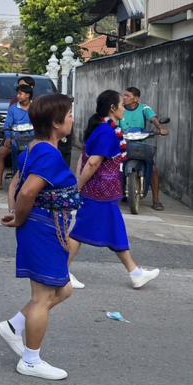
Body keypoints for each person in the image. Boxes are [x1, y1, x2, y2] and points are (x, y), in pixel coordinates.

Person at [0, 93, 79, 381]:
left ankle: (14, 325)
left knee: (64, 289)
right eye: (69, 115)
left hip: (45, 228)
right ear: (56, 123)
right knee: (43, 298)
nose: (72, 119)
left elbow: (17, 183)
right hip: (43, 228)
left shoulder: (36, 147)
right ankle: (30, 360)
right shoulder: (47, 153)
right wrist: (18, 216)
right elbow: (28, 190)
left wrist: (15, 212)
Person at [68, 90, 160, 290]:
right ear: (112, 108)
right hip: (98, 192)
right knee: (80, 232)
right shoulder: (107, 132)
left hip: (105, 192)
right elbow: (91, 163)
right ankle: (60, 271)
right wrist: (78, 187)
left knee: (116, 231)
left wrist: (79, 184)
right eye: (121, 104)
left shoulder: (103, 129)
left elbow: (84, 158)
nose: (123, 108)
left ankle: (135, 272)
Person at [121, 86, 168, 210]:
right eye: (124, 95)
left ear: (136, 99)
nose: (124, 98)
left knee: (153, 169)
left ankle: (156, 200)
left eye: (127, 96)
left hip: (140, 143)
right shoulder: (120, 108)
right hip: (122, 142)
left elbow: (153, 118)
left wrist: (159, 128)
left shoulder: (144, 108)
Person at [0, 82, 33, 191]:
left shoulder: (35, 107)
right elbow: (7, 125)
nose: (18, 96)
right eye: (18, 94)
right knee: (1, 153)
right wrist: (8, 137)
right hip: (15, 139)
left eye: (21, 94)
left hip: (31, 139)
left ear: (28, 95)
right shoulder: (13, 108)